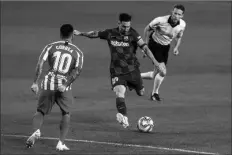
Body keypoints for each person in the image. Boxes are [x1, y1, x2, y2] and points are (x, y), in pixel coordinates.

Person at [74, 13, 163, 128]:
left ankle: (140, 77)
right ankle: (123, 116)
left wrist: (156, 63)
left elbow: (145, 47)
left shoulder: (133, 34)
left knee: (141, 93)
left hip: (132, 69)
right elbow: (95, 34)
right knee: (119, 92)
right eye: (124, 26)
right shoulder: (110, 33)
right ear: (119, 23)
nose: (126, 29)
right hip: (117, 71)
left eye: (128, 26)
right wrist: (81, 33)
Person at [26, 24, 84, 151]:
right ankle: (60, 143)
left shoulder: (50, 46)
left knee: (40, 111)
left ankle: (36, 131)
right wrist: (65, 84)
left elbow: (40, 64)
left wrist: (35, 82)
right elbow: (77, 71)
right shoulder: (78, 52)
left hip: (48, 84)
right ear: (72, 34)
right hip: (64, 87)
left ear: (60, 34)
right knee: (66, 113)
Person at [141, 4, 186, 101]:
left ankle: (134, 76)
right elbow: (147, 29)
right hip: (154, 45)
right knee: (163, 71)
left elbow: (179, 37)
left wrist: (176, 47)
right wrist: (145, 46)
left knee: (155, 74)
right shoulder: (160, 20)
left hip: (166, 47)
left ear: (182, 16)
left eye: (179, 14)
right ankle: (154, 94)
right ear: (172, 12)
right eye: (175, 13)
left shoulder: (182, 24)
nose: (176, 16)